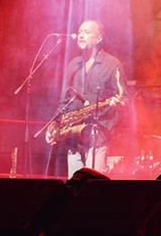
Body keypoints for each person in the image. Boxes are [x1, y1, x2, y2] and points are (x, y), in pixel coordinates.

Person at [45, 20, 127, 178]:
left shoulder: (112, 64)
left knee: (94, 188)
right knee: (75, 188)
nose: (81, 35)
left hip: (98, 137)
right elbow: (65, 100)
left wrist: (112, 105)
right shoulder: (73, 65)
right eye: (80, 31)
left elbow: (124, 97)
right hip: (74, 139)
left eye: (87, 32)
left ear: (99, 38)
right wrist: (54, 123)